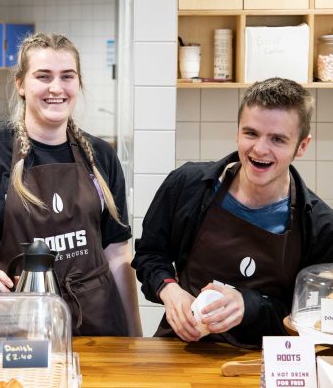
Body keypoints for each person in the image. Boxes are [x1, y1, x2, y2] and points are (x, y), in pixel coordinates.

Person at [0, 32, 142, 337]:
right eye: (43, 76)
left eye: (67, 76)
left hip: (98, 327)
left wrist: (135, 338)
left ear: (78, 84)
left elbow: (117, 254)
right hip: (14, 325)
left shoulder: (101, 156)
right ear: (21, 84)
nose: (56, 88)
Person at [132, 77, 333, 348]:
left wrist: (247, 305)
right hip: (181, 350)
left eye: (277, 139)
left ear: (302, 146)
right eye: (251, 133)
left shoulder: (319, 226)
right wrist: (170, 290)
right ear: (237, 131)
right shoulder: (188, 185)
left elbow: (312, 317)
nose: (260, 149)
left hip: (263, 362)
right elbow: (150, 255)